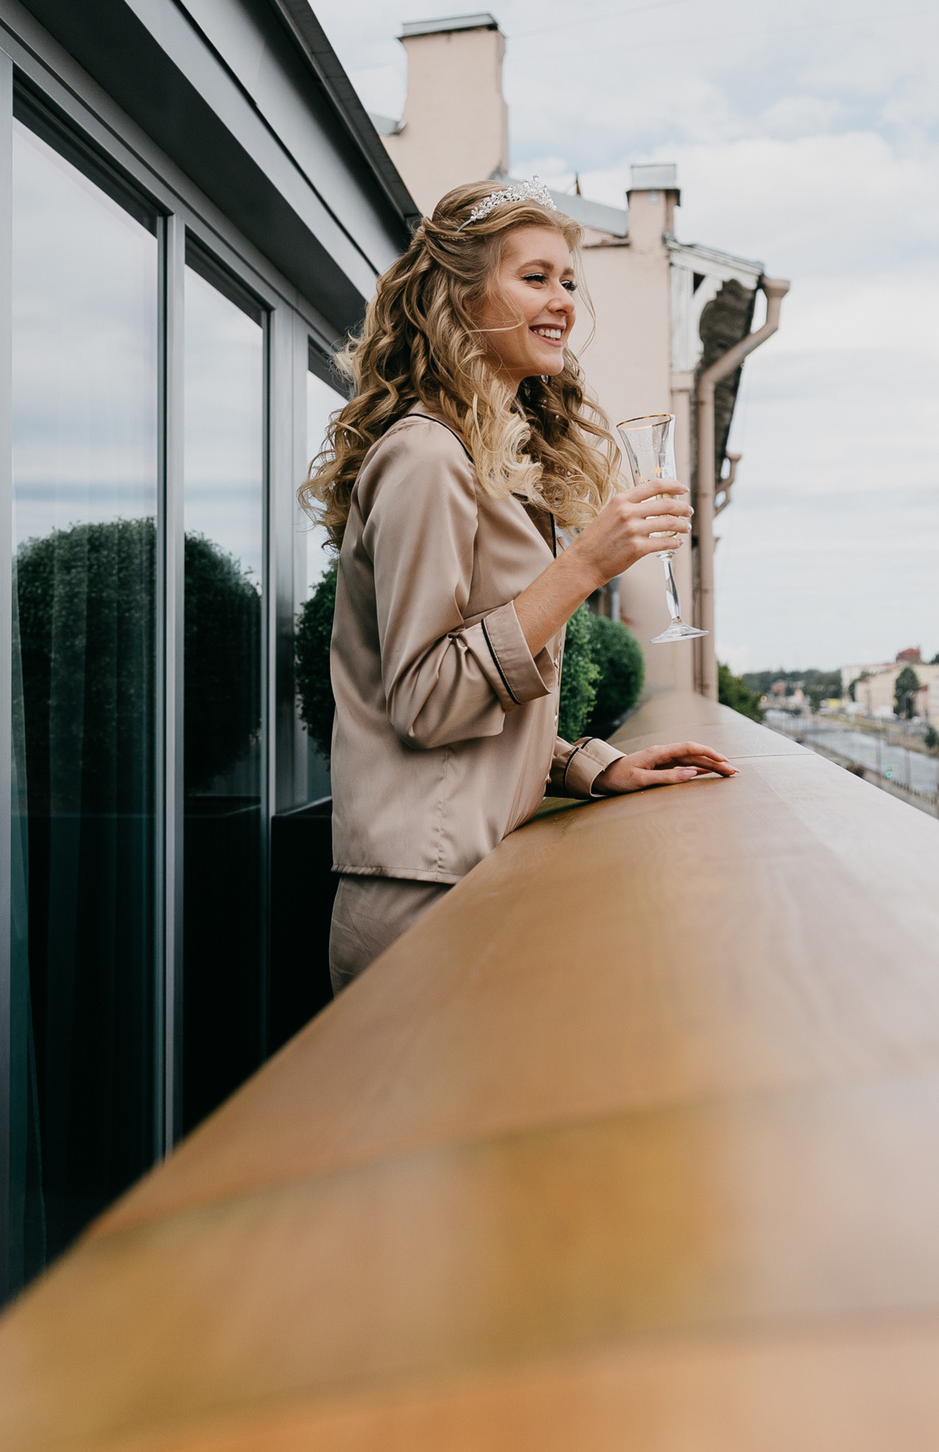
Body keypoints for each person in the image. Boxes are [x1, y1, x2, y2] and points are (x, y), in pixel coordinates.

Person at [301, 179, 736, 992]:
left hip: (470, 882)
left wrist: (590, 767)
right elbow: (427, 703)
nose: (563, 301)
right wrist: (583, 568)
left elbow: (477, 722)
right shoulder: (425, 457)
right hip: (422, 903)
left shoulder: (482, 458)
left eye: (569, 280)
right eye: (534, 277)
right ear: (460, 295)